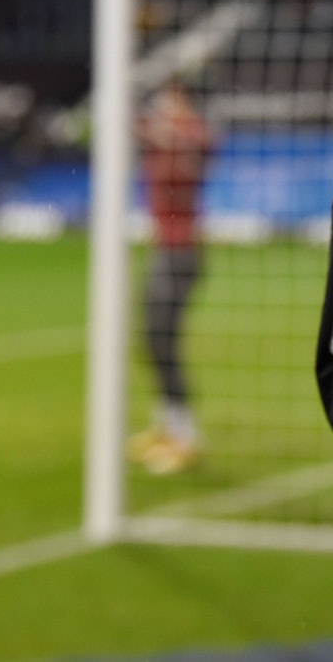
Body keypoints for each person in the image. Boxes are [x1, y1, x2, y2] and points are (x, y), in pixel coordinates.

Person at [128, 79, 215, 475]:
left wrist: (165, 129)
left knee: (163, 338)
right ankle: (167, 426)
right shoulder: (161, 138)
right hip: (164, 250)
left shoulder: (194, 136)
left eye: (171, 101)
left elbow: (199, 146)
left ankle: (187, 436)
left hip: (183, 253)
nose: (163, 107)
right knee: (153, 340)